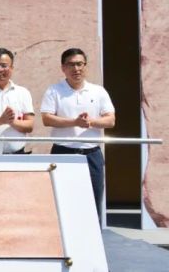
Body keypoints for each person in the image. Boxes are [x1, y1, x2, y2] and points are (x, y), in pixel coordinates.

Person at [41, 48, 115, 223]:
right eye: (71, 64)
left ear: (85, 66)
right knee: (62, 200)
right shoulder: (54, 91)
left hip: (92, 154)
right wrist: (74, 122)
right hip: (63, 152)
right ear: (63, 68)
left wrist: (90, 122)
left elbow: (111, 120)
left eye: (80, 64)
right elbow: (47, 119)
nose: (76, 69)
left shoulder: (98, 91)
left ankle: (93, 237)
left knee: (93, 200)